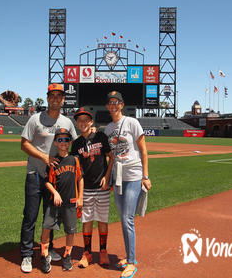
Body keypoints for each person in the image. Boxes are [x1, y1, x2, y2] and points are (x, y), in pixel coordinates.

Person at [20, 83, 77, 273]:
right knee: (30, 216)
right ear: (47, 98)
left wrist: (91, 132)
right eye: (52, 95)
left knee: (51, 215)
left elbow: (75, 144)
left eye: (59, 96)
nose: (55, 99)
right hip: (35, 174)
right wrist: (44, 157)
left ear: (63, 99)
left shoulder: (67, 122)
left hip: (55, 179)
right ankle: (27, 254)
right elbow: (24, 144)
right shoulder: (36, 119)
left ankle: (49, 248)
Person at [104, 91, 152, 278]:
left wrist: (145, 176)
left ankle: (131, 262)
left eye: (116, 102)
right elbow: (111, 156)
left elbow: (143, 150)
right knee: (123, 220)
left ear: (122, 105)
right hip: (118, 177)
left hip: (133, 175)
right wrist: (108, 176)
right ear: (108, 106)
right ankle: (128, 256)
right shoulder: (108, 129)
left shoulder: (132, 122)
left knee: (127, 219)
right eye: (110, 102)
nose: (113, 105)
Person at [70, 106, 114, 268]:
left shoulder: (101, 136)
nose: (82, 123)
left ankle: (103, 251)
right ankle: (87, 253)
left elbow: (111, 157)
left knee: (102, 220)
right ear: (76, 123)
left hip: (101, 187)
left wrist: (107, 177)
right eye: (79, 120)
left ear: (91, 121)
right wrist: (79, 194)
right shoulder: (76, 144)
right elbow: (76, 169)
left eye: (85, 120)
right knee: (87, 220)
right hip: (86, 188)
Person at [40, 128, 84, 272]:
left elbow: (80, 179)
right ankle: (44, 255)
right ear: (55, 142)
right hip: (55, 202)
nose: (63, 142)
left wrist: (80, 197)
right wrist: (55, 193)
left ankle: (67, 256)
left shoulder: (74, 159)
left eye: (66, 140)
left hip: (71, 202)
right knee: (46, 227)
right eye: (60, 140)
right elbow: (46, 181)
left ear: (70, 142)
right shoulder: (53, 161)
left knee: (70, 231)